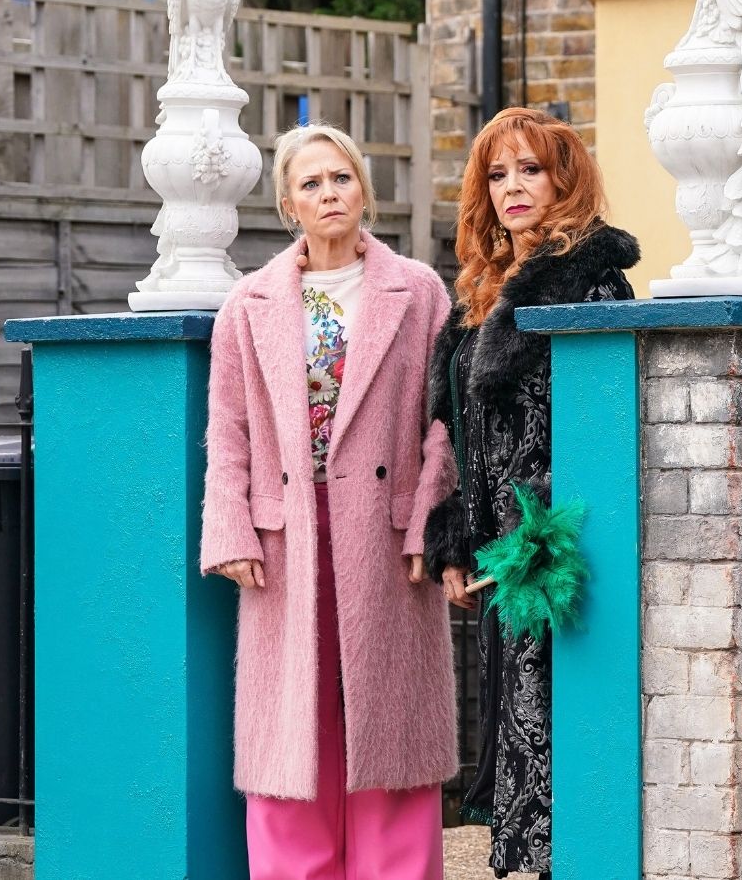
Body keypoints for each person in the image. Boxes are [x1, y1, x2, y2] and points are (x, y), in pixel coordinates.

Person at [200, 122, 459, 879]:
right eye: (310, 184)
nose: (329, 194)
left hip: (387, 534)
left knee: (388, 722)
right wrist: (231, 530)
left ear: (363, 189)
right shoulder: (248, 304)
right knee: (293, 728)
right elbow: (228, 428)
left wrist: (430, 523)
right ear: (289, 204)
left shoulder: (419, 291)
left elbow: (445, 419)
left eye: (341, 178)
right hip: (287, 535)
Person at [423, 107, 639, 879]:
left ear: (563, 179)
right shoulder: (482, 290)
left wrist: (532, 532)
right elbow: (460, 433)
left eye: (531, 169)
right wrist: (455, 539)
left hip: (560, 549)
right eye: (497, 173)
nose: (512, 186)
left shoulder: (591, 282)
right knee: (517, 727)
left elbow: (602, 425)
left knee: (561, 727)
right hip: (500, 558)